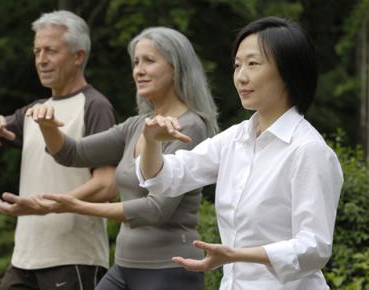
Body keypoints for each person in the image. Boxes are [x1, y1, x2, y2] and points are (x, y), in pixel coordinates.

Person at [136, 16, 343, 290]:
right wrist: (152, 142)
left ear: (288, 72)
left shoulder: (308, 150)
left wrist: (236, 254)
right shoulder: (235, 139)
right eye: (237, 65)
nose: (241, 76)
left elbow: (314, 247)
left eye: (253, 64)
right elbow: (166, 179)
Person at [19, 27, 219, 290]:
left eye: (149, 60)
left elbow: (155, 210)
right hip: (125, 266)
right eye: (136, 62)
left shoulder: (190, 126)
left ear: (176, 67)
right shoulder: (135, 126)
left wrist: (77, 205)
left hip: (169, 269)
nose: (138, 70)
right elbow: (72, 152)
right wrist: (47, 125)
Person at [0, 10, 117, 290]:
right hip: (24, 258)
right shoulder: (31, 112)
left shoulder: (95, 106)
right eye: (37, 52)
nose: (41, 60)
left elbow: (106, 184)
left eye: (51, 51)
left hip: (74, 257)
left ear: (78, 56)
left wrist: (48, 206)